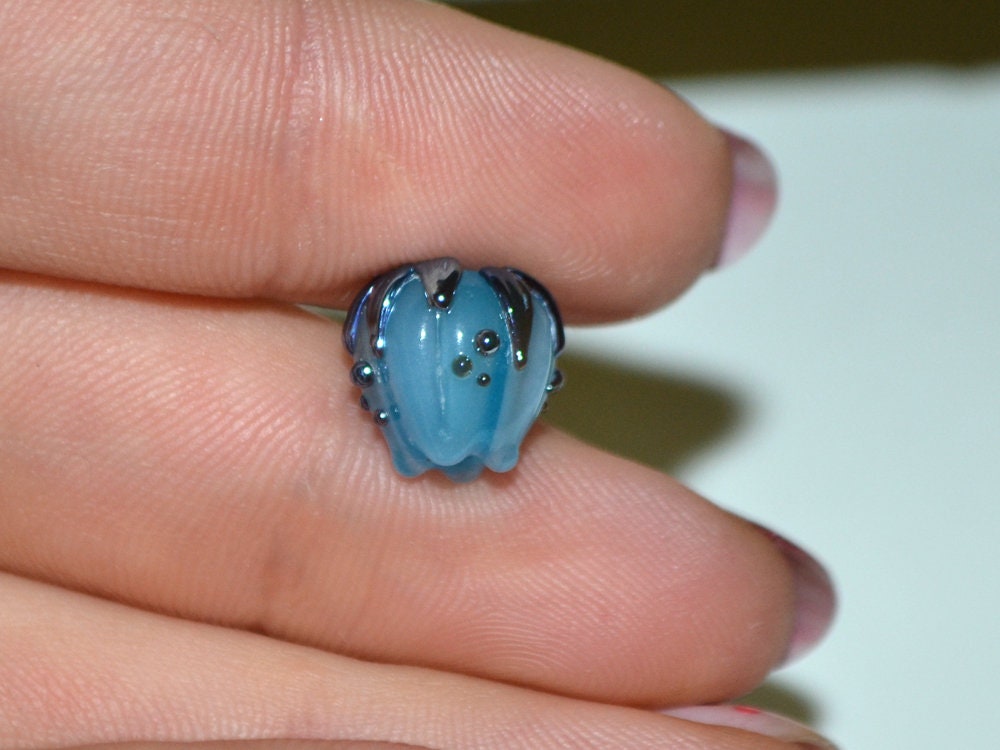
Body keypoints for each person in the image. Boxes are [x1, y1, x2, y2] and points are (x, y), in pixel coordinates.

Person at [0, 2, 835, 748]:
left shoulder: (492, 340)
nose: (467, 374)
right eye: (460, 367)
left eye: (481, 364)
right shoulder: (409, 329)